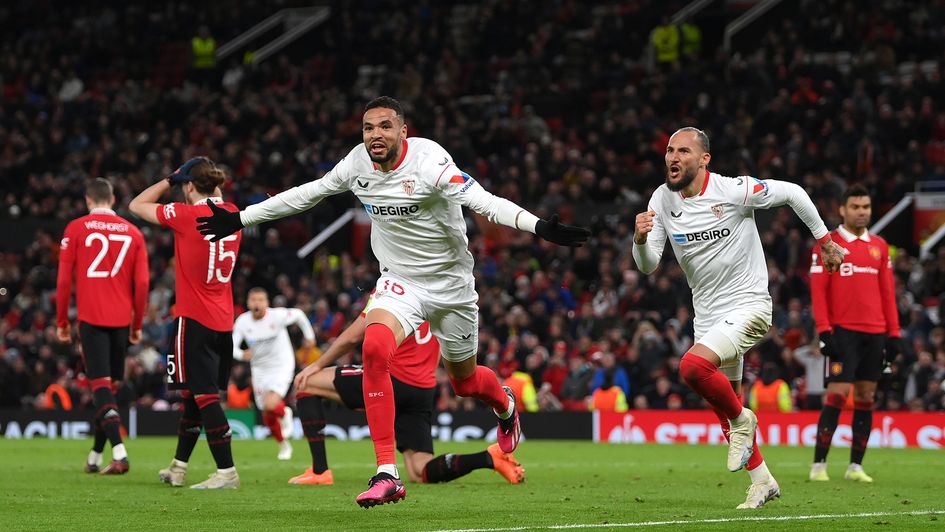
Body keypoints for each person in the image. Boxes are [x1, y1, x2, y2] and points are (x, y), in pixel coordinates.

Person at [195, 96, 588, 506]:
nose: (375, 135)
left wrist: (538, 225)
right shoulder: (356, 165)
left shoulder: (430, 162)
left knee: (465, 382)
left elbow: (483, 201)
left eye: (384, 126)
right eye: (368, 128)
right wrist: (241, 218)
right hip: (400, 282)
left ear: (404, 130)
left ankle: (504, 404)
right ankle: (387, 472)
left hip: (451, 286)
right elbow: (307, 194)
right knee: (375, 346)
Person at [631, 127, 844, 509]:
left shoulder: (733, 190)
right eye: (668, 150)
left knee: (693, 368)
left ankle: (744, 420)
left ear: (703, 159)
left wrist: (825, 241)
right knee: (723, 406)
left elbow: (794, 193)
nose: (673, 158)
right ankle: (763, 481)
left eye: (683, 151)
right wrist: (641, 240)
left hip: (749, 306)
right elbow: (648, 267)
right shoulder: (661, 200)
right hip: (708, 316)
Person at [290, 291, 524, 487]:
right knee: (418, 470)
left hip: (390, 379)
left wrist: (316, 364)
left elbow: (353, 337)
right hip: (421, 390)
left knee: (307, 383)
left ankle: (320, 471)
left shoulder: (391, 291)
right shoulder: (442, 293)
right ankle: (488, 457)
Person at [129, 157, 243, 489]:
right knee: (195, 396)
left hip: (193, 319)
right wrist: (197, 178)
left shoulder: (185, 215)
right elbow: (215, 192)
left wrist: (170, 178)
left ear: (189, 187)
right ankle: (178, 467)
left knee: (204, 396)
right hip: (223, 321)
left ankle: (227, 472)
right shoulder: (233, 212)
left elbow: (137, 204)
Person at [808, 184, 901, 483]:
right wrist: (824, 330)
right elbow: (818, 292)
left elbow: (888, 293)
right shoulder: (829, 244)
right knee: (837, 394)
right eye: (856, 207)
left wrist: (894, 333)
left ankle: (855, 467)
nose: (862, 212)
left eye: (866, 207)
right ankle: (819, 465)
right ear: (843, 210)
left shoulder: (880, 246)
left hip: (875, 333)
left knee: (866, 396)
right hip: (843, 333)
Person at [55, 177, 149, 475]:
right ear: (112, 200)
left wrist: (61, 322)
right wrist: (136, 323)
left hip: (92, 319)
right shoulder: (133, 232)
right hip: (121, 320)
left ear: (87, 200)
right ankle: (96, 455)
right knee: (110, 389)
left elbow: (63, 280)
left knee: (100, 388)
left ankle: (119, 454)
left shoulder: (76, 228)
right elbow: (143, 283)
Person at [232, 287, 316, 460]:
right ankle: (284, 445)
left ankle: (285, 413)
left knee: (271, 404)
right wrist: (241, 354)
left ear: (267, 303)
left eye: (260, 300)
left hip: (281, 366)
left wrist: (309, 336)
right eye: (253, 300)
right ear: (248, 302)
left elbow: (299, 315)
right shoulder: (243, 321)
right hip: (259, 370)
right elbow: (232, 346)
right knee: (266, 413)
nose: (257, 303)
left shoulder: (277, 316)